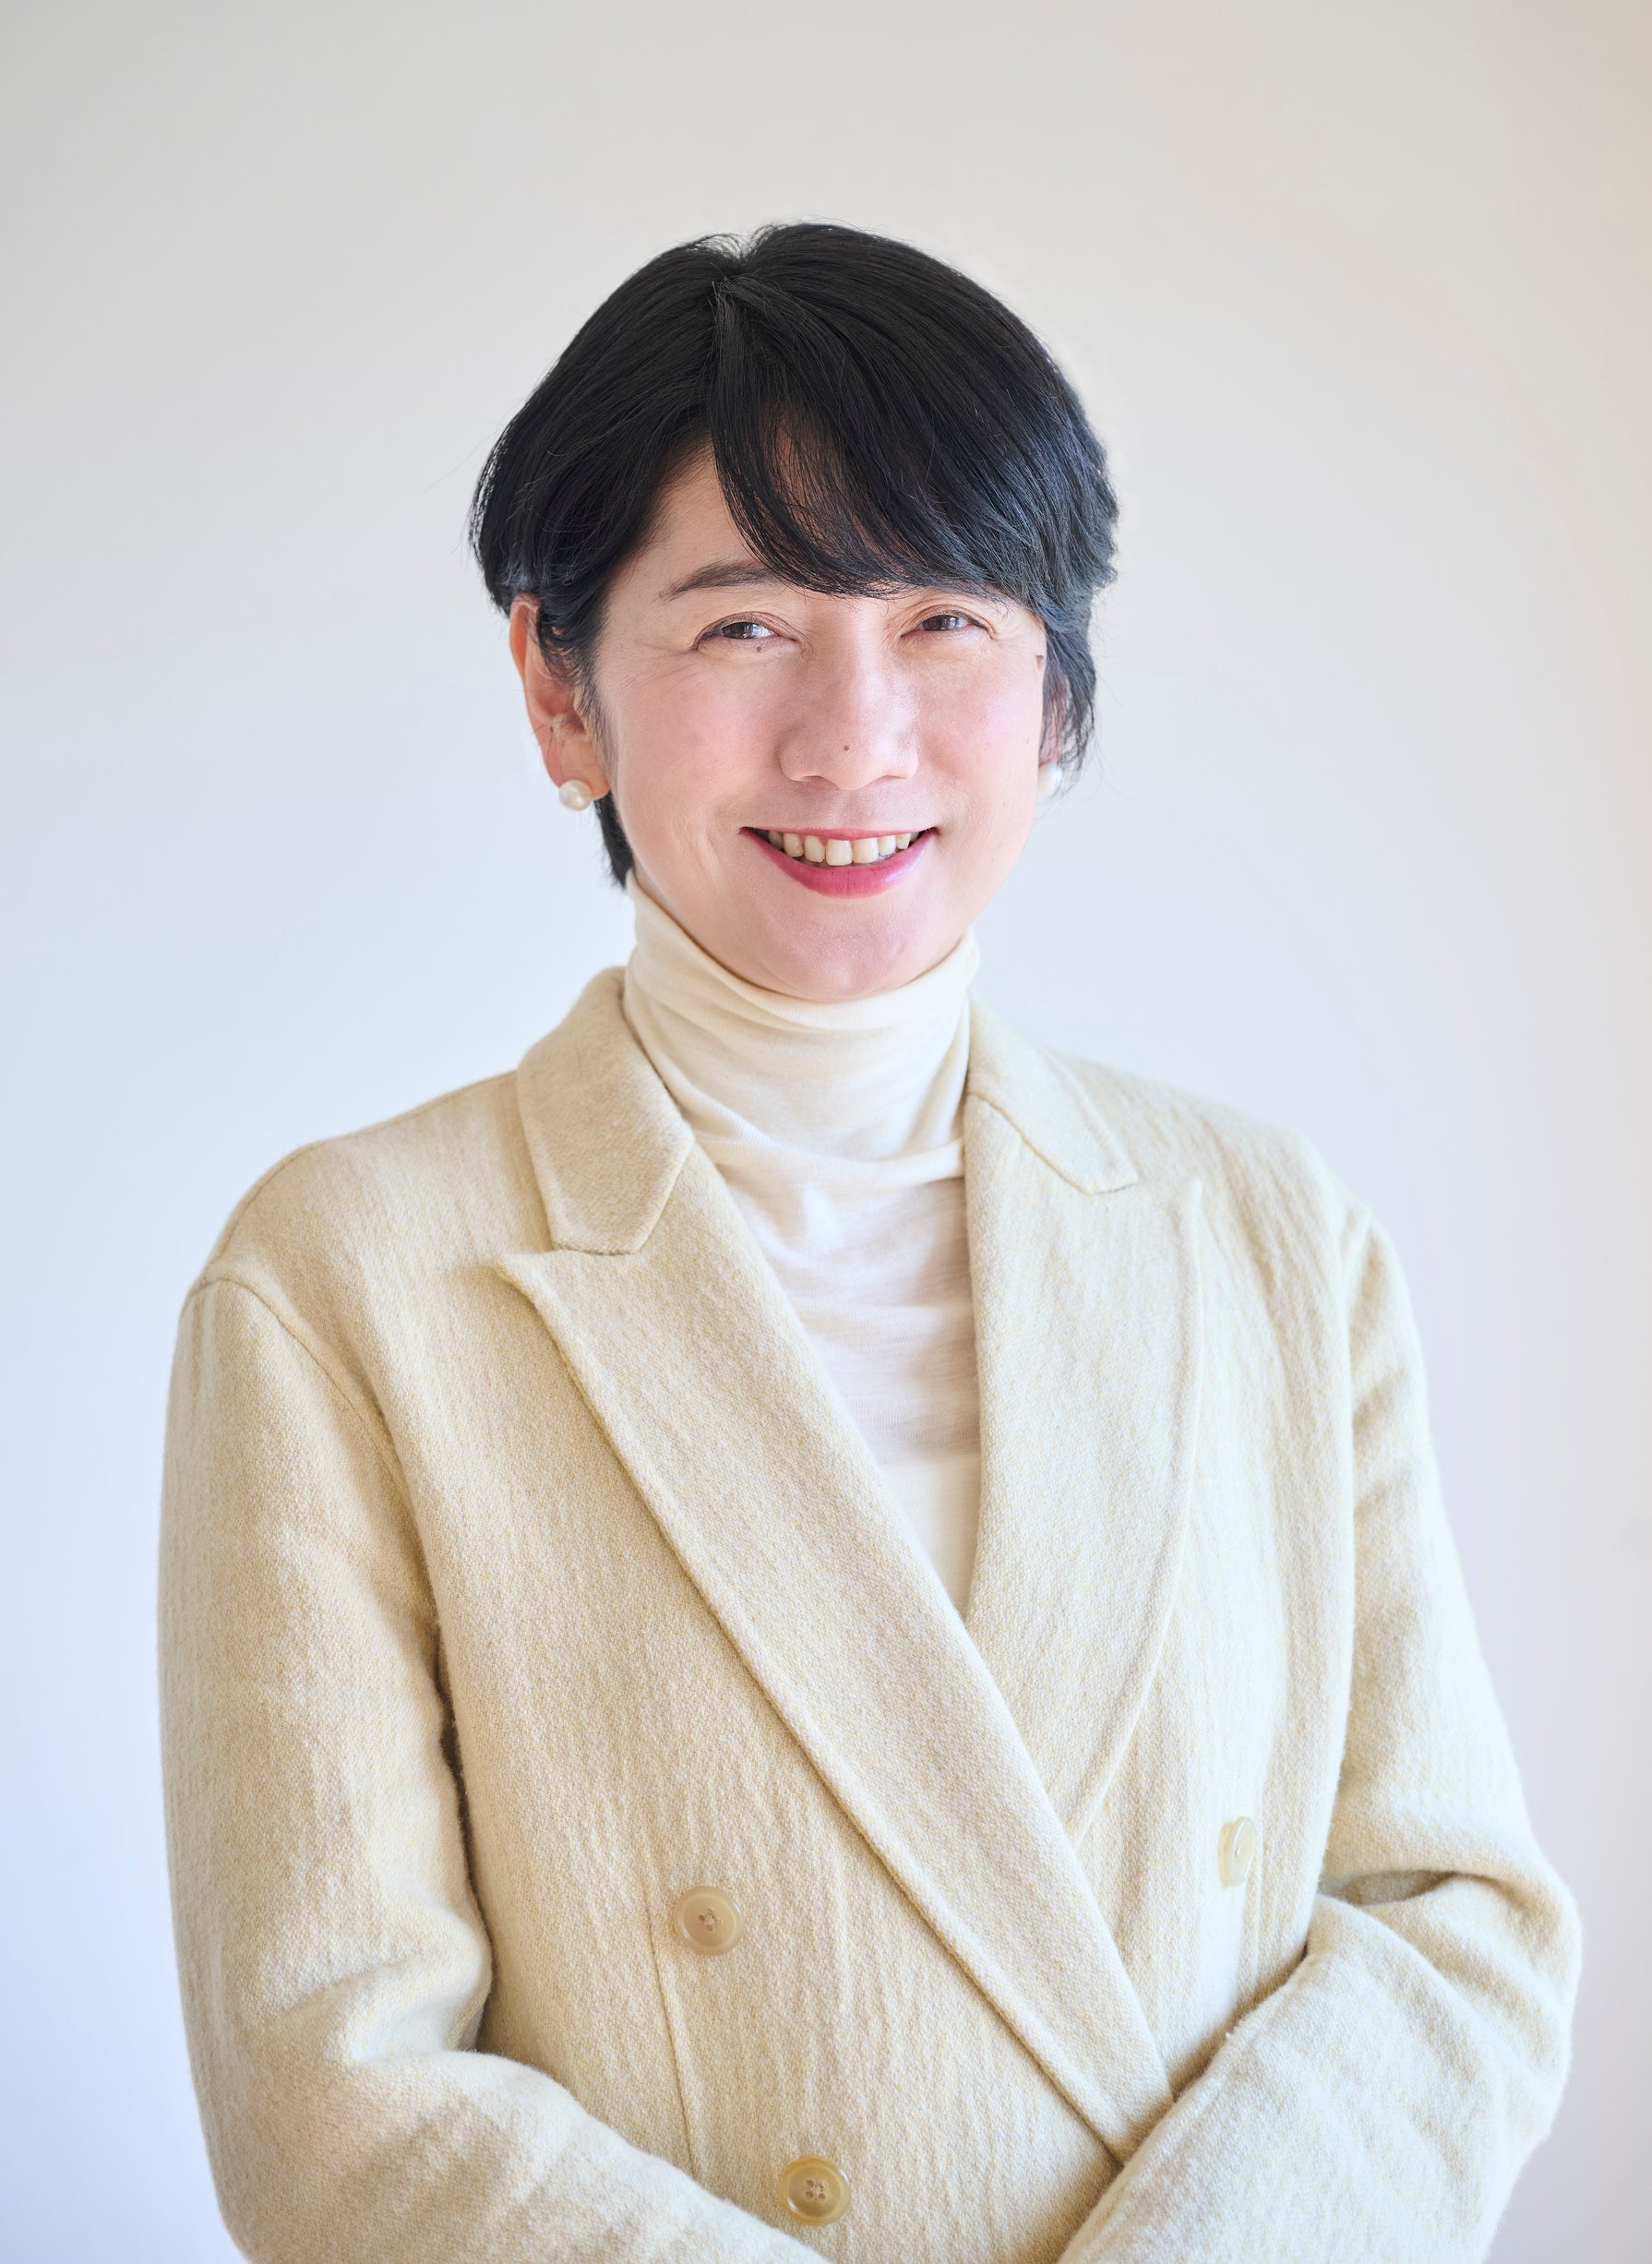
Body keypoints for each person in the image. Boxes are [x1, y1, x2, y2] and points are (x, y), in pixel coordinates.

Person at [159, 223, 1578, 2263]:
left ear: (1057, 689)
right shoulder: (345, 1283)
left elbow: (1452, 1926)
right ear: (560, 690)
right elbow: (338, 2094)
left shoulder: (1273, 1236)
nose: (855, 737)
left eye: (943, 620)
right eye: (746, 624)